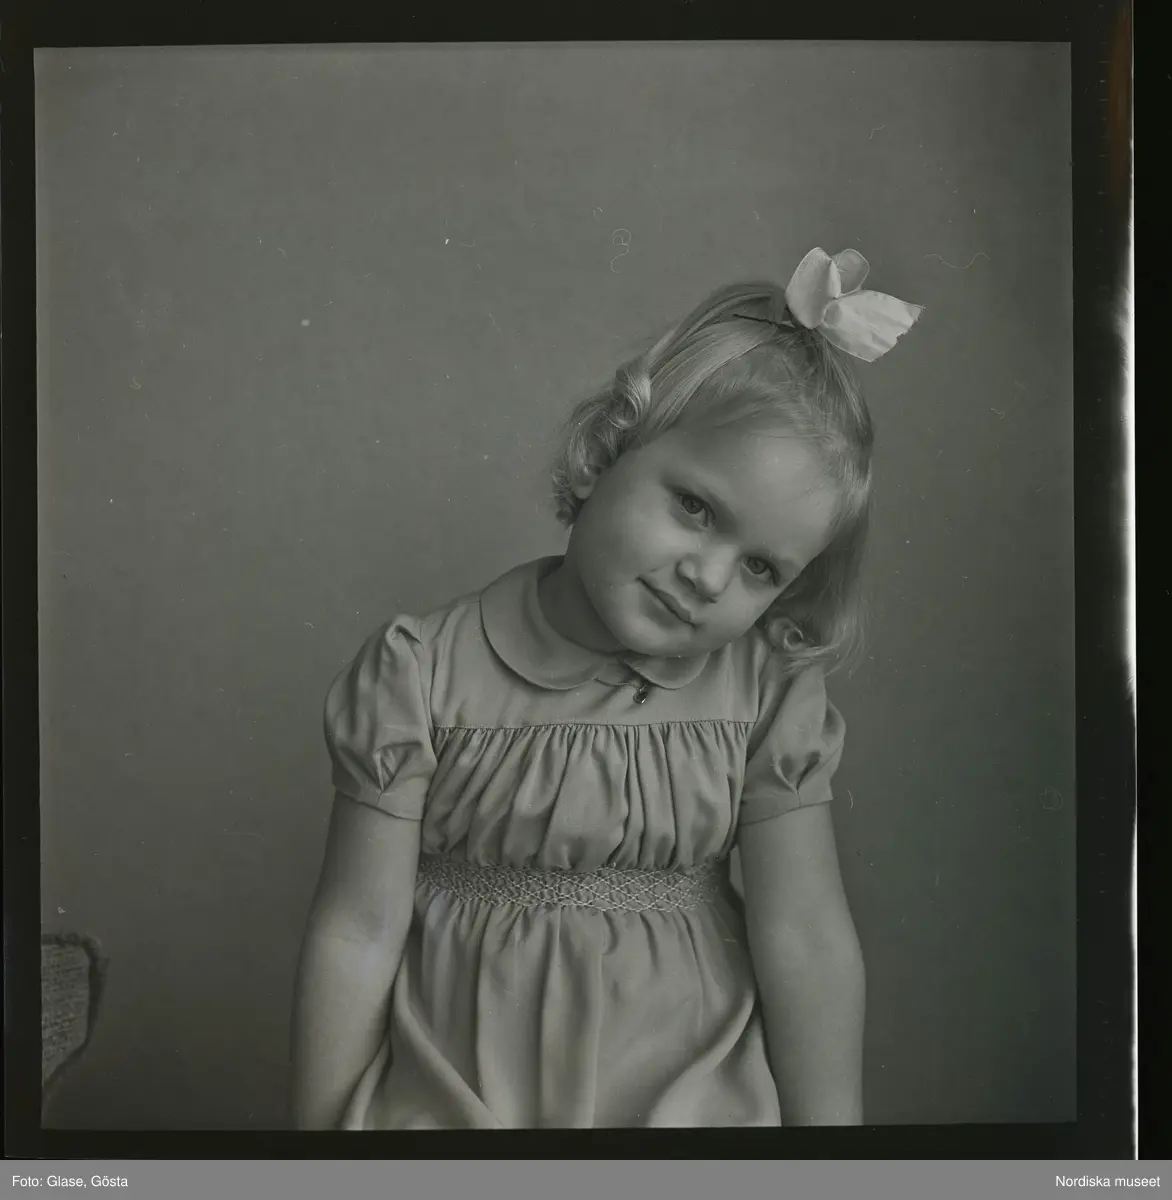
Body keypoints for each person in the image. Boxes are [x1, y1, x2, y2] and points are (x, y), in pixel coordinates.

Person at [290, 247, 923, 1129]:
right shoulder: (420, 672)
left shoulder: (763, 694)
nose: (707, 576)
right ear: (606, 451)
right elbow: (356, 933)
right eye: (695, 508)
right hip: (461, 1093)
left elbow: (806, 937)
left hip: (688, 1093)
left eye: (761, 568)